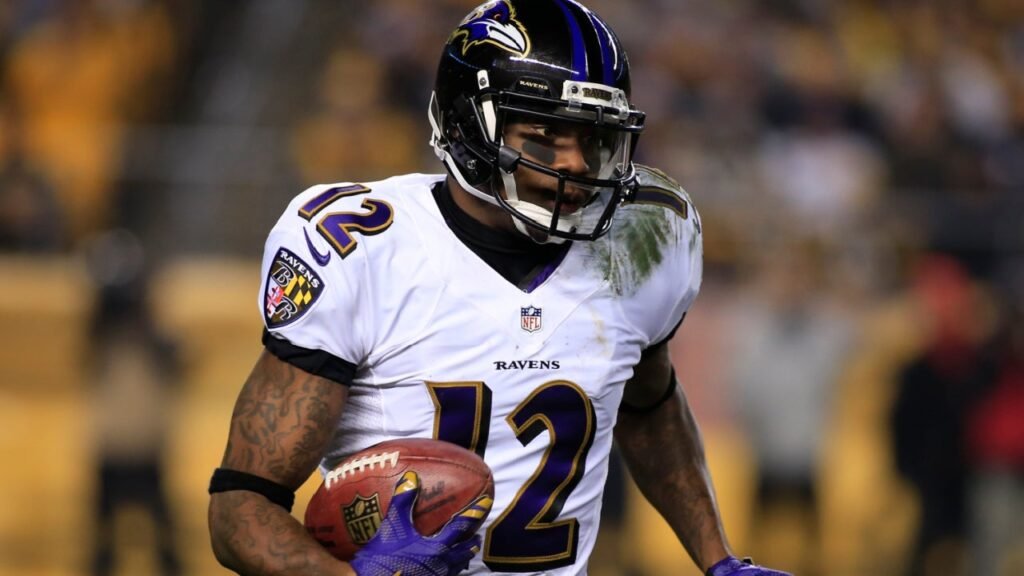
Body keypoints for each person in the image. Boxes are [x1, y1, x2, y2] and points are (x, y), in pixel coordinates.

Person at [207, 1, 792, 575]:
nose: (578, 165)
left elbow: (651, 404)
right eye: (545, 136)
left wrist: (718, 559)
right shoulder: (363, 249)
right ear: (466, 127)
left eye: (595, 139)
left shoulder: (643, 238)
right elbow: (240, 506)